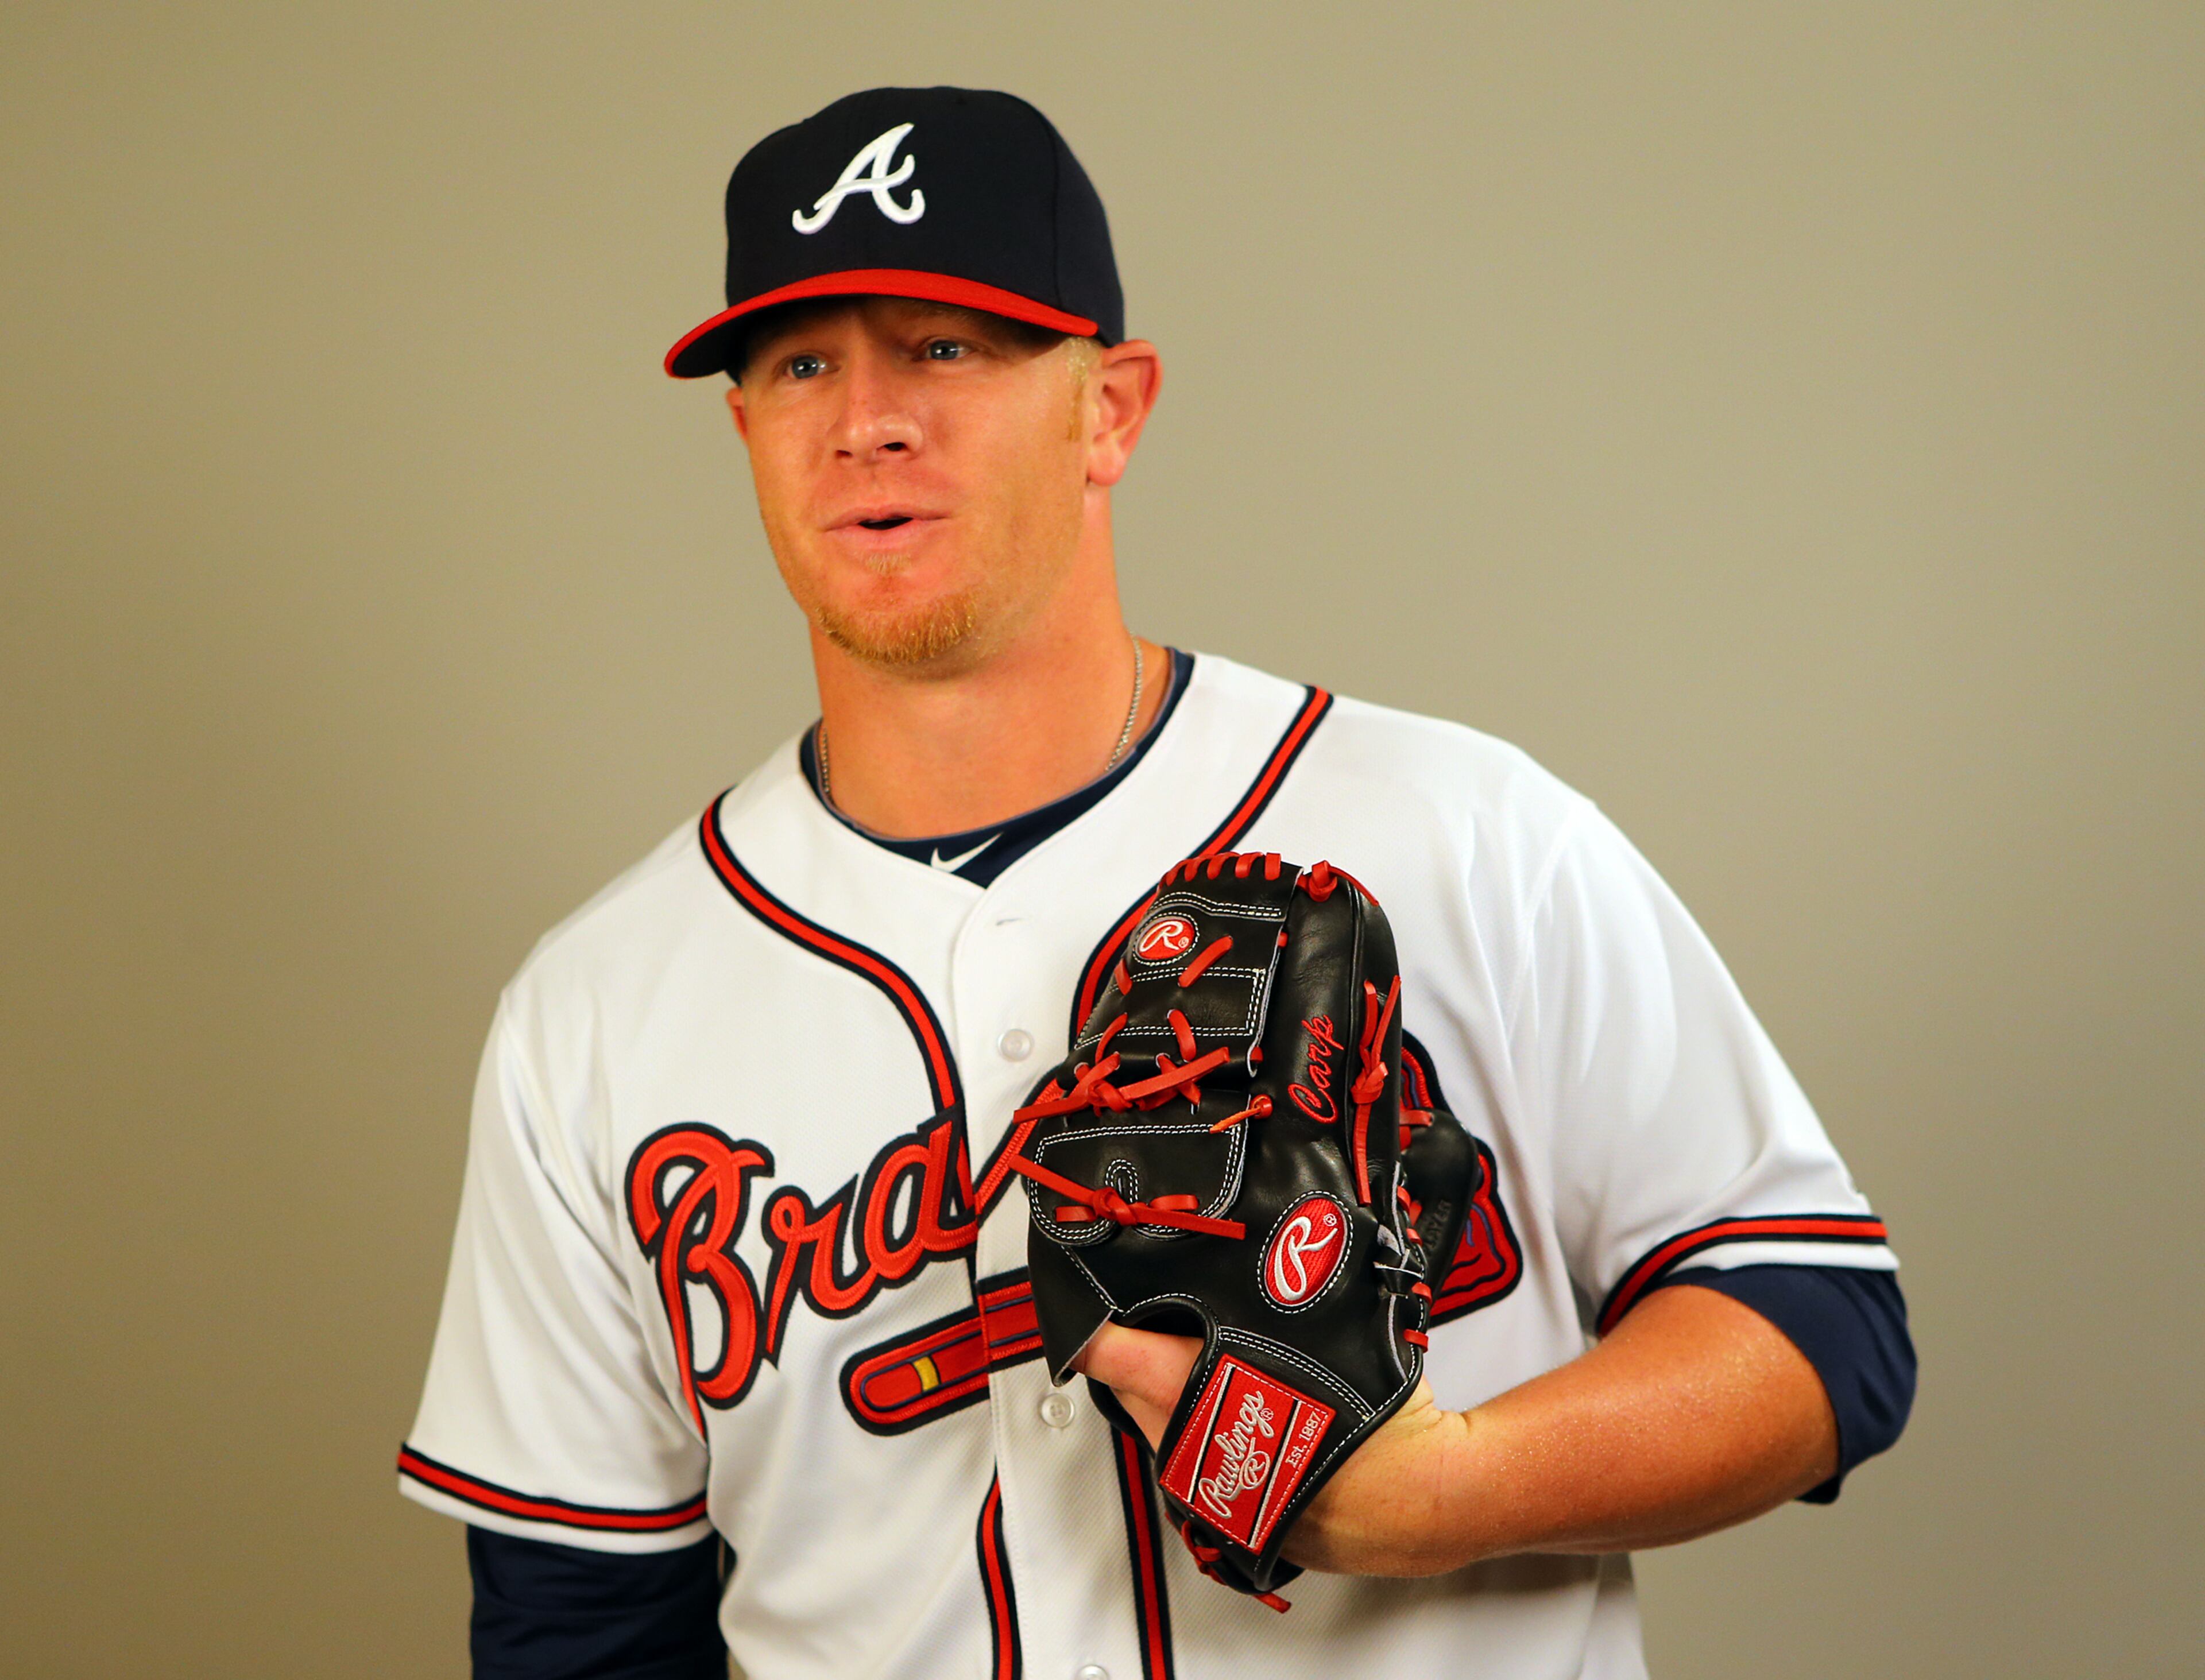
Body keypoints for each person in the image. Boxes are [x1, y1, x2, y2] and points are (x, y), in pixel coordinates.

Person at [400, 86, 1914, 1680]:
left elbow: (1822, 1332)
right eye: (800, 365)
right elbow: (582, 1627)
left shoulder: (1467, 832)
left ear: (1111, 409)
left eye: (945, 347)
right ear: (748, 431)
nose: (867, 420)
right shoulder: (597, 1010)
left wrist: (1455, 1493)